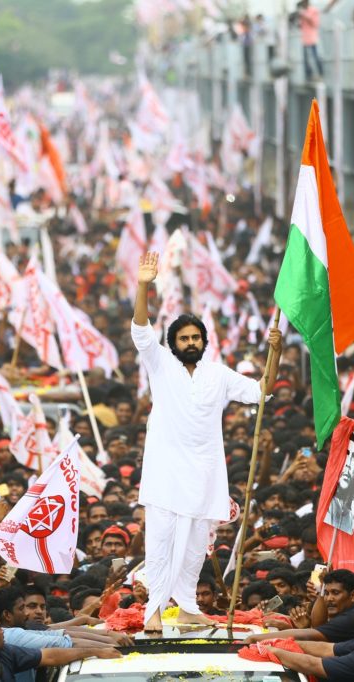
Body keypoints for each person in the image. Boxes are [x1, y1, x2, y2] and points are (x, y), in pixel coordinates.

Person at [132, 251, 282, 632]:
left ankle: (186, 606)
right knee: (162, 541)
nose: (191, 341)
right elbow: (140, 330)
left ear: (204, 341)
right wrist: (143, 285)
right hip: (166, 471)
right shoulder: (160, 364)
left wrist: (275, 354)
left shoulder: (219, 374)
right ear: (173, 343)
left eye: (196, 336)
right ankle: (153, 609)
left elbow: (262, 390)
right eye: (184, 337)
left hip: (206, 472)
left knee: (197, 543)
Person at [298, 0, 324, 79]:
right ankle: (309, 76)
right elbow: (300, 26)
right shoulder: (302, 12)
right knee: (306, 59)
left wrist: (304, 15)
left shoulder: (314, 10)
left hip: (312, 38)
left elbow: (315, 24)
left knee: (316, 56)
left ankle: (321, 73)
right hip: (304, 39)